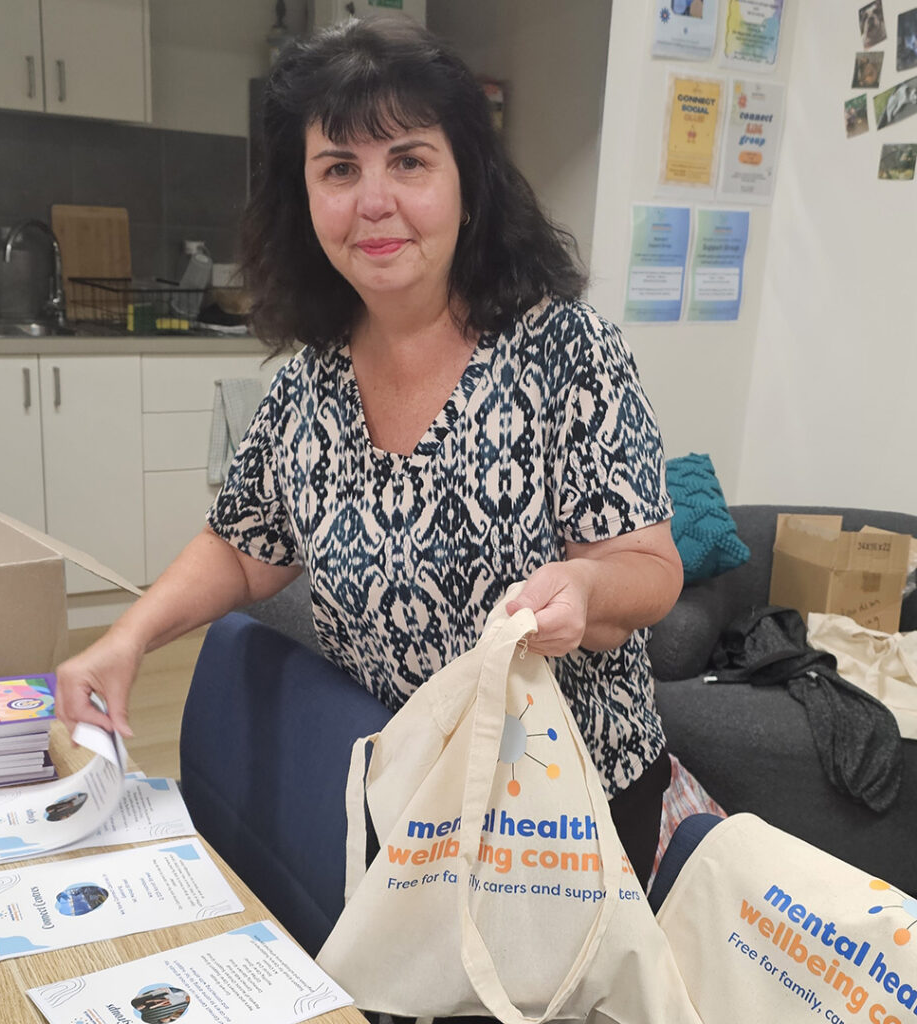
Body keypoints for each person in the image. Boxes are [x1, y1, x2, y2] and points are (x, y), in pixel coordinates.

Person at [56, 17, 683, 889]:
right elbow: (242, 549)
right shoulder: (309, 385)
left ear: (470, 182)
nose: (373, 200)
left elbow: (650, 570)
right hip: (398, 795)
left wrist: (585, 586)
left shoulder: (567, 354)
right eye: (339, 169)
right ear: (304, 197)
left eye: (410, 161)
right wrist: (123, 643)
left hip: (563, 815)